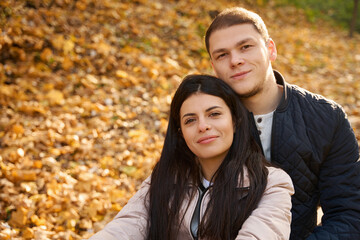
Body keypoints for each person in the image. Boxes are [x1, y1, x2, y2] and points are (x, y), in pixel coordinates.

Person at [204, 7, 360, 240]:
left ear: (270, 49)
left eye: (245, 47)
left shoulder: (327, 118)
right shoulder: (202, 121)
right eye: (222, 54)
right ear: (213, 66)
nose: (235, 60)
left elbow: (349, 215)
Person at [89, 74, 294, 240]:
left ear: (235, 121)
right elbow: (125, 226)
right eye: (190, 120)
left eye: (214, 114)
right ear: (180, 132)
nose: (203, 126)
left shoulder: (271, 184)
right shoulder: (166, 178)